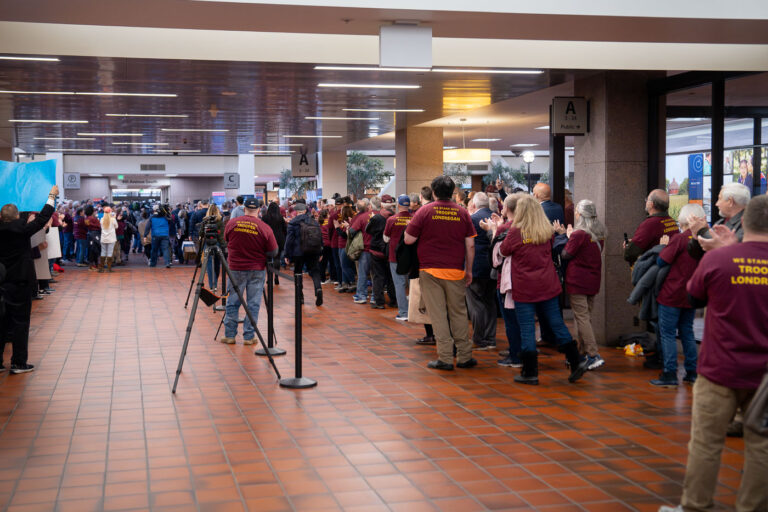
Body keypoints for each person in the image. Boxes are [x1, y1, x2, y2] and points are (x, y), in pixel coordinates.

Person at [658, 195, 768, 512]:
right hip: (763, 375)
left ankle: (695, 506)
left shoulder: (719, 260)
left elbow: (694, 298)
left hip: (720, 368)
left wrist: (727, 252)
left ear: (744, 221)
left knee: (706, 444)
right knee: (761, 446)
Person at [499, 195, 588, 385]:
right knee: (557, 323)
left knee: (527, 328)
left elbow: (504, 251)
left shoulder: (515, 232)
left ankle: (530, 371)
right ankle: (575, 360)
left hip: (525, 286)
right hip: (547, 283)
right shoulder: (547, 230)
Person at [405, 176, 477, 371]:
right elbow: (470, 244)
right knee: (459, 313)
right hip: (455, 270)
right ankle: (464, 356)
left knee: (438, 315)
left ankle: (445, 357)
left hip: (430, 270)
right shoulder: (462, 212)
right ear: (452, 192)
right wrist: (468, 270)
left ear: (434, 192)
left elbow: (409, 240)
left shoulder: (424, 211)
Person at [0, 185, 59, 373]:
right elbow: (43, 218)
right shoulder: (23, 230)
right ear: (18, 216)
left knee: (1, 323)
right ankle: (18, 363)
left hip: (2, 282)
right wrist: (51, 196)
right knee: (20, 323)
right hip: (21, 281)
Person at [649, 203, 705, 388]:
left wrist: (662, 247)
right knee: (687, 332)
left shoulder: (680, 239)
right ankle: (691, 372)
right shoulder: (705, 240)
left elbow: (662, 260)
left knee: (667, 334)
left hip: (672, 293)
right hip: (691, 293)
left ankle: (669, 373)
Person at [554, 200, 607, 370]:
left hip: (578, 280)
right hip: (593, 279)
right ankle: (581, 354)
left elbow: (566, 253)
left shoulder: (578, 234)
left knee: (582, 318)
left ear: (580, 214)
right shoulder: (599, 233)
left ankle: (593, 354)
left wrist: (565, 236)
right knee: (586, 317)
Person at [221, 198, 278, 345]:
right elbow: (273, 251)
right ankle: (248, 336)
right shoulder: (264, 227)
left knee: (233, 301)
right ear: (259, 210)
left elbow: (226, 240)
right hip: (256, 269)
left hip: (235, 268)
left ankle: (229, 335)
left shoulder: (232, 223)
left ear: (244, 209)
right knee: (253, 303)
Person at [480, 193, 525, 368]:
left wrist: (493, 231)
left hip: (507, 281)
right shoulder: (530, 226)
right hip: (526, 280)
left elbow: (497, 257)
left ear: (507, 208)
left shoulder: (506, 229)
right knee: (523, 320)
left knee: (511, 321)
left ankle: (516, 355)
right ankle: (522, 351)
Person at [466, 192, 498, 350]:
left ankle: (479, 338)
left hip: (476, 267)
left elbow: (468, 245)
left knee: (476, 303)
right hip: (493, 267)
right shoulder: (496, 217)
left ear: (474, 205)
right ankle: (490, 338)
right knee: (490, 302)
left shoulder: (471, 219)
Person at [687, 182, 749, 259]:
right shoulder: (720, 222)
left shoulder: (749, 224)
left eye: (719, 199)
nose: (716, 204)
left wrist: (702, 230)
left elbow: (733, 250)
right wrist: (697, 235)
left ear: (730, 201)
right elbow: (697, 254)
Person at [284, 201, 324, 307]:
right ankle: (318, 288)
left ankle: (300, 296)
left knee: (298, 273)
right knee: (315, 271)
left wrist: (287, 255)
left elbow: (289, 240)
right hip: (313, 251)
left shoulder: (293, 223)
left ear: (296, 212)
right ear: (306, 211)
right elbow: (320, 237)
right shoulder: (314, 222)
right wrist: (320, 252)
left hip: (298, 253)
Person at [623, 189, 679, 265]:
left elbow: (630, 254)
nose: (645, 202)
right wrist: (635, 242)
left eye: (647, 199)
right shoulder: (671, 221)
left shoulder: (649, 224)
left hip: (653, 270)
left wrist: (628, 247)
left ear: (651, 204)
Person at [383, 195, 413, 321]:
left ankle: (403, 312)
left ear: (398, 205)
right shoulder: (414, 218)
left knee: (399, 284)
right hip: (411, 256)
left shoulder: (391, 219)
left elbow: (386, 238)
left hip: (395, 256)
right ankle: (413, 311)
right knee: (412, 284)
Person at [366, 195, 395, 310]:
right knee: (390, 277)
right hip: (390, 251)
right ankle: (393, 300)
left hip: (376, 251)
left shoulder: (376, 218)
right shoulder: (395, 217)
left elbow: (368, 230)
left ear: (382, 205)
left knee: (378, 277)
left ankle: (379, 301)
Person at [348, 198, 373, 303]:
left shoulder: (361, 218)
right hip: (377, 249)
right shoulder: (377, 215)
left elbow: (352, 231)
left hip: (365, 249)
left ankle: (361, 295)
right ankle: (375, 297)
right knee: (375, 274)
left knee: (362, 273)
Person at [200, 204, 226, 291]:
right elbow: (221, 235)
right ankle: (214, 281)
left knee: (209, 264)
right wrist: (223, 245)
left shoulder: (205, 220)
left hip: (207, 243)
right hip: (217, 243)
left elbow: (201, 233)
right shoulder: (220, 221)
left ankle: (212, 284)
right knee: (217, 264)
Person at [262, 202, 286, 285]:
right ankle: (276, 277)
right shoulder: (280, 217)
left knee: (268, 259)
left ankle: (269, 278)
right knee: (277, 259)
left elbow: (262, 229)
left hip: (268, 239)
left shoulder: (265, 217)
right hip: (279, 239)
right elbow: (285, 229)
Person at [99, 206, 117, 273]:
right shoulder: (113, 219)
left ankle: (101, 268)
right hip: (111, 238)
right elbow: (116, 226)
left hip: (103, 238)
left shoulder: (102, 219)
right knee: (110, 252)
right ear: (110, 212)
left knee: (103, 252)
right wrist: (114, 218)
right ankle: (109, 269)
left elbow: (101, 227)